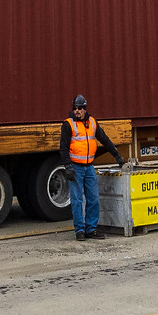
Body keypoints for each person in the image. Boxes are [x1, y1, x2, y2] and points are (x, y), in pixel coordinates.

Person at [63, 95, 120, 241]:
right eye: (75, 108)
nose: (77, 111)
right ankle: (80, 231)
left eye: (80, 108)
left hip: (89, 168)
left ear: (84, 109)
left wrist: (117, 156)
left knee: (93, 199)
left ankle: (91, 229)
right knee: (77, 200)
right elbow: (63, 148)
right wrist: (68, 166)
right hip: (75, 168)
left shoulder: (92, 123)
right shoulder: (69, 124)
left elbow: (105, 140)